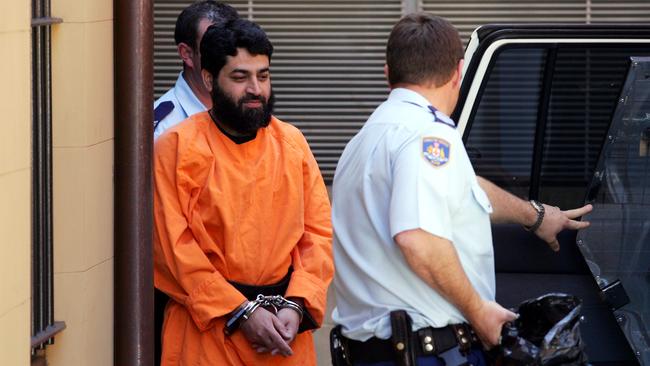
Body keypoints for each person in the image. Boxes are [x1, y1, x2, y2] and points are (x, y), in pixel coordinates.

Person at [330, 13, 593, 366]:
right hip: (423, 353)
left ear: (387, 72)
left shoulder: (367, 138)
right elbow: (417, 238)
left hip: (374, 352)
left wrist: (535, 215)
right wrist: (479, 310)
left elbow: (463, 189)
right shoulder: (428, 135)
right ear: (459, 71)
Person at [153, 18, 333, 366]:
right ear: (209, 79)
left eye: (263, 76)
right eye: (240, 77)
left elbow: (318, 235)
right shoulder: (176, 147)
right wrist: (241, 312)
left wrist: (297, 305)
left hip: (285, 335)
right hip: (206, 334)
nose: (256, 89)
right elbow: (172, 250)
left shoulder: (292, 143)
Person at [153, 1, 239, 139]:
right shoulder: (163, 130)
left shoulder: (244, 111)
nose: (228, 58)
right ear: (186, 53)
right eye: (215, 46)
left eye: (233, 47)